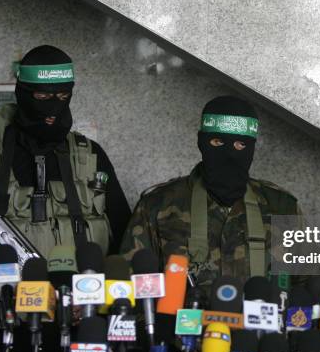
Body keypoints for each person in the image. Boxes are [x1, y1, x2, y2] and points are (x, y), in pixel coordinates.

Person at [0, 45, 131, 352]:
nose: (52, 108)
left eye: (62, 97)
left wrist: (96, 296)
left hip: (80, 325)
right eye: (42, 98)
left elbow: (127, 245)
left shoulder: (91, 156)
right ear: (21, 93)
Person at [120, 96, 303, 292]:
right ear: (201, 143)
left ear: (252, 148)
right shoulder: (158, 205)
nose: (230, 155)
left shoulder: (283, 207)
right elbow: (129, 288)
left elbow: (307, 290)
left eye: (241, 145)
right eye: (217, 142)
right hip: (182, 322)